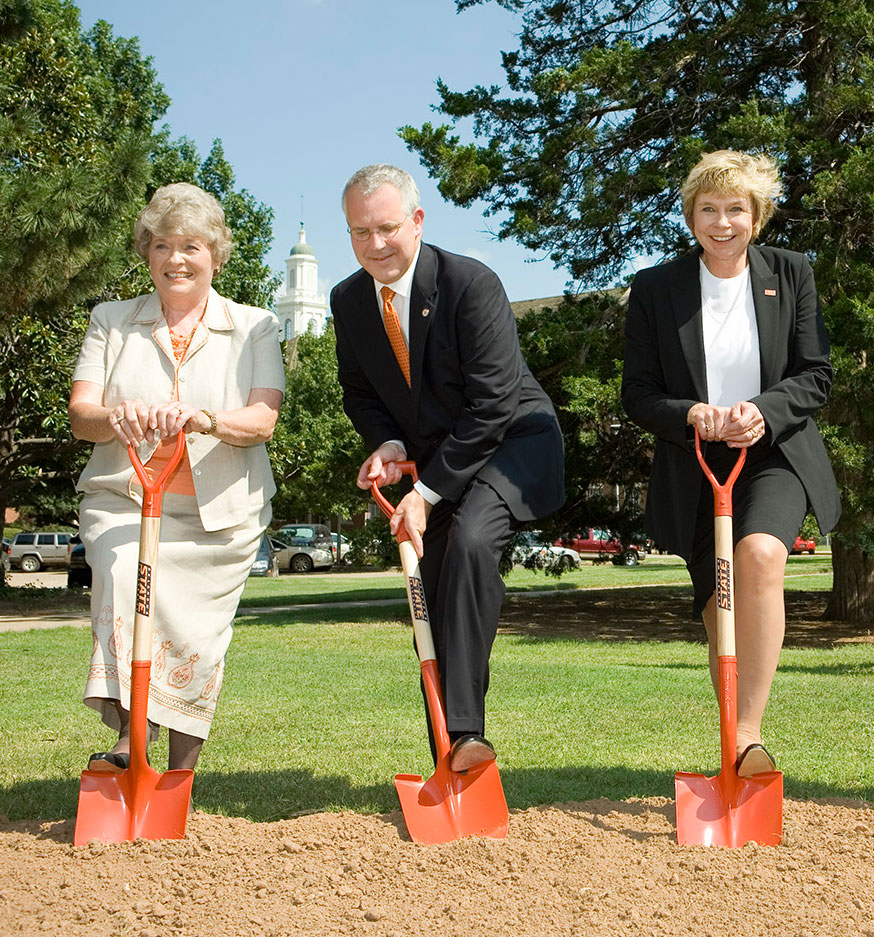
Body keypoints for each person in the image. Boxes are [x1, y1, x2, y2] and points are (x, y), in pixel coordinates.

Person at [332, 164, 565, 772]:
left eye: (386, 228)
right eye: (360, 232)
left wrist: (427, 493)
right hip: (442, 458)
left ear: (417, 221)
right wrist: (385, 442)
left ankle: (464, 736)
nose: (375, 245)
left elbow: (491, 404)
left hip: (514, 443)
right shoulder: (349, 300)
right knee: (429, 594)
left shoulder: (470, 284)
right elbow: (360, 391)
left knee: (468, 542)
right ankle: (450, 751)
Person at [622, 150, 840, 776]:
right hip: (696, 464)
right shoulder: (657, 288)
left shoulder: (791, 273)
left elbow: (814, 374)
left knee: (761, 555)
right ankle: (728, 738)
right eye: (709, 209)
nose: (722, 223)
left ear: (758, 216)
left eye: (736, 210)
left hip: (773, 451)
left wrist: (763, 411)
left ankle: (747, 737)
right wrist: (691, 412)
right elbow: (637, 393)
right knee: (718, 602)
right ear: (691, 216)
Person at [68, 182, 285, 772]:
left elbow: (263, 418)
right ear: (147, 253)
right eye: (162, 245)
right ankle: (128, 744)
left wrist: (205, 418)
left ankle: (181, 771)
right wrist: (117, 417)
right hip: (127, 500)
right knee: (120, 578)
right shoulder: (111, 321)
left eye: (191, 245)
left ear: (215, 252)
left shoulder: (255, 326)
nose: (176, 259)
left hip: (221, 513)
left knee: (195, 634)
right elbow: (82, 415)